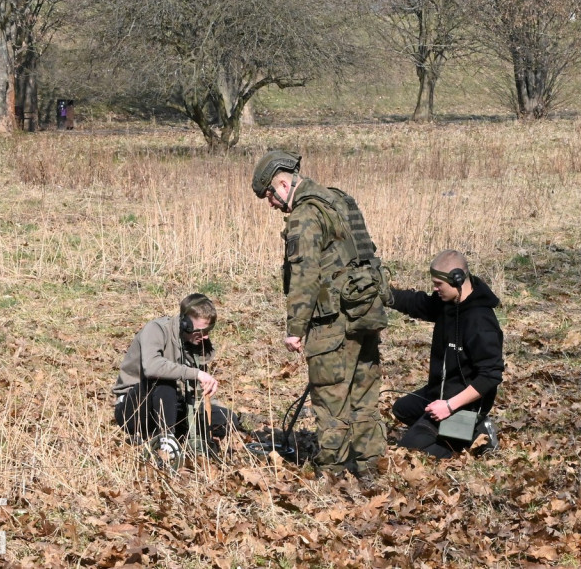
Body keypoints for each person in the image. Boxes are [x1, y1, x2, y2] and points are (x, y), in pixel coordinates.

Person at [251, 150, 388, 480]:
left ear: (283, 184)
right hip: (364, 310)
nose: (270, 204)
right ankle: (371, 468)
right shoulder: (337, 199)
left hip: (332, 322)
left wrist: (295, 328)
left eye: (269, 195)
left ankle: (332, 473)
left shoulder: (305, 214)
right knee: (363, 394)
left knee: (330, 399)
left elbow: (305, 275)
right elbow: (367, 253)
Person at [385, 249, 504, 459]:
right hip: (439, 392)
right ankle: (450, 432)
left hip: (464, 404)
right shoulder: (447, 303)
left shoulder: (481, 322)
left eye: (439, 284)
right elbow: (417, 302)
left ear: (457, 279)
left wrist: (449, 406)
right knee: (402, 409)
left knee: (412, 451)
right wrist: (385, 294)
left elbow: (490, 376)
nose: (435, 288)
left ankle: (477, 431)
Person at [112, 293, 234, 459]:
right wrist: (196, 373)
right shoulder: (156, 329)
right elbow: (152, 367)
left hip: (169, 406)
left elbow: (195, 392)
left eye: (209, 330)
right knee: (163, 380)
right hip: (135, 410)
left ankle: (175, 438)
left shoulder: (195, 344)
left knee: (225, 417)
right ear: (185, 324)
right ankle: (166, 443)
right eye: (201, 330)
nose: (205, 336)